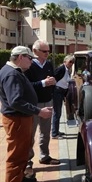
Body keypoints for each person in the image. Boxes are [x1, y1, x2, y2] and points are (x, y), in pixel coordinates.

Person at [0, 46, 53, 182]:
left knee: (22, 153)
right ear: (20, 57)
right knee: (16, 156)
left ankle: (21, 177)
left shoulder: (12, 71)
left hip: (20, 118)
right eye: (29, 58)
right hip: (17, 119)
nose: (31, 61)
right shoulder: (12, 74)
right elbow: (15, 101)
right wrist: (39, 111)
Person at [24, 40, 60, 177]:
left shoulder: (49, 64)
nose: (47, 54)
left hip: (48, 102)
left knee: (45, 132)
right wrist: (43, 83)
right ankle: (27, 162)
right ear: (35, 51)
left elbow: (53, 78)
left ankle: (45, 156)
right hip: (34, 105)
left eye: (48, 51)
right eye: (45, 51)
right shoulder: (29, 65)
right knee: (30, 134)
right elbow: (27, 86)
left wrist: (53, 81)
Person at [52, 55, 75, 139]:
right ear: (65, 61)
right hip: (57, 91)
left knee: (59, 113)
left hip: (61, 92)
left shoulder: (67, 70)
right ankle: (54, 134)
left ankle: (56, 131)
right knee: (57, 113)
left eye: (73, 62)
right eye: (70, 62)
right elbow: (53, 78)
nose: (71, 64)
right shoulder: (61, 68)